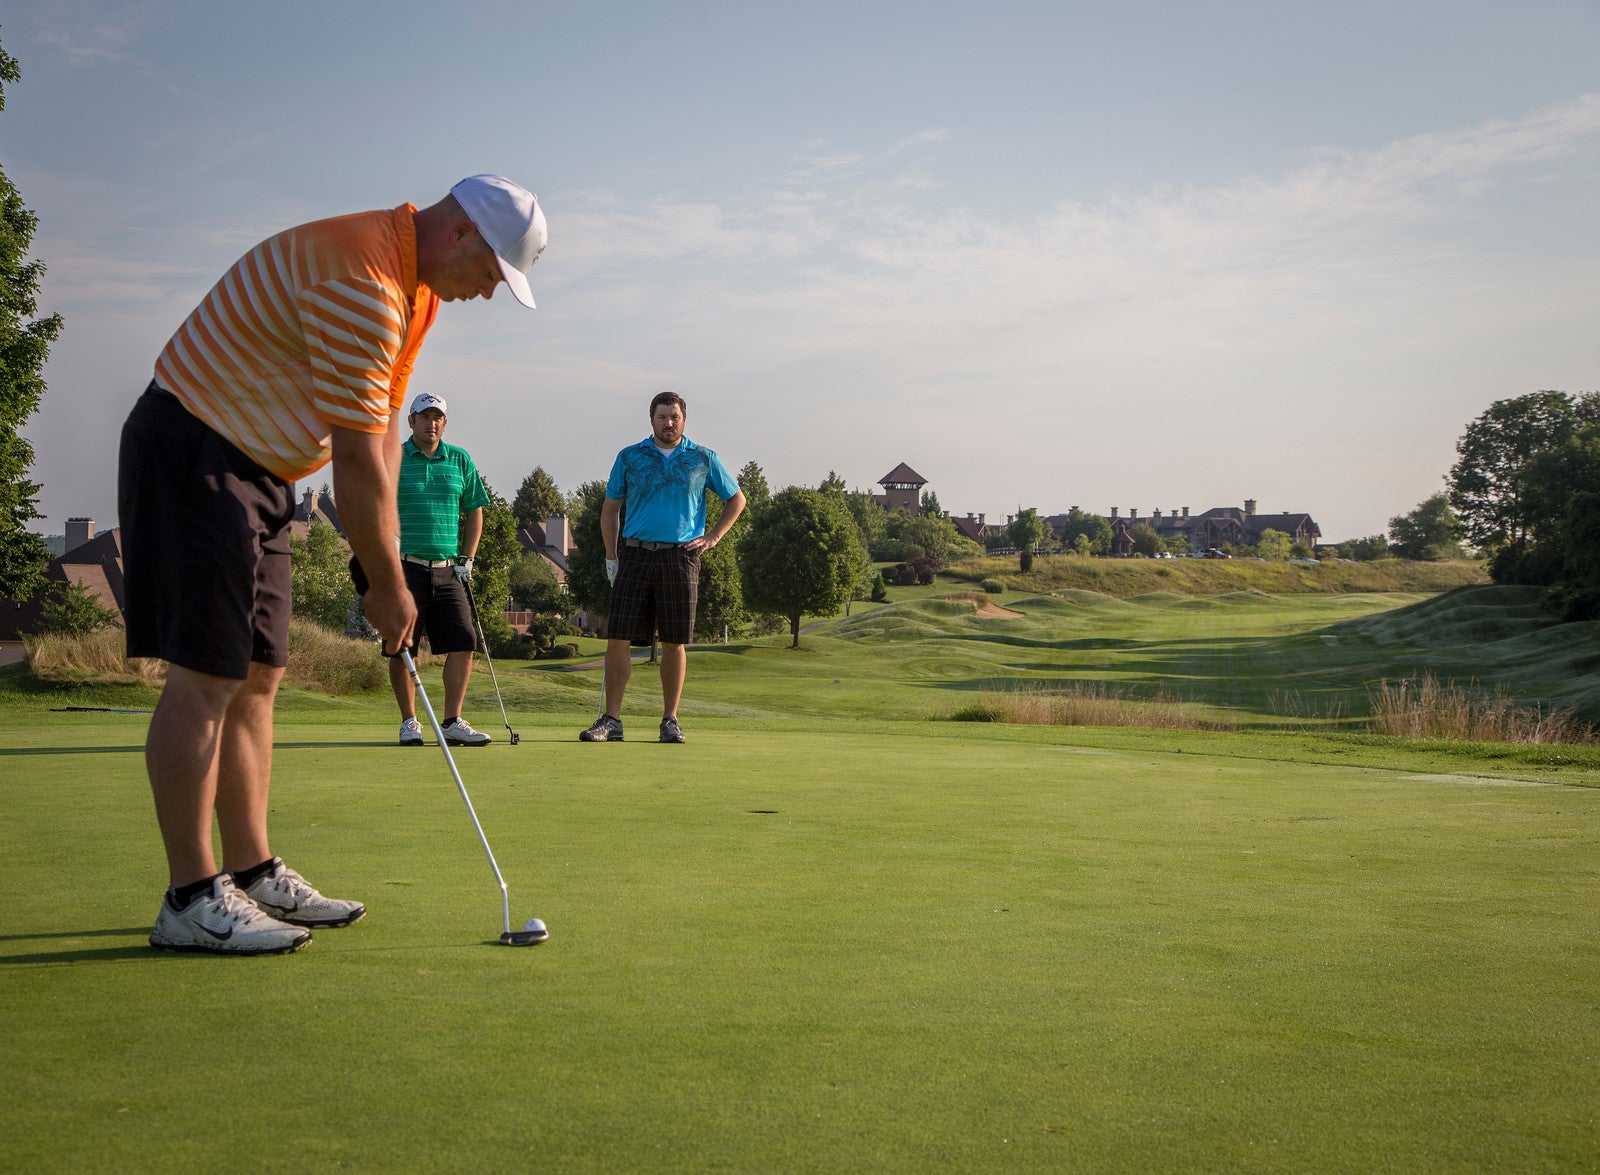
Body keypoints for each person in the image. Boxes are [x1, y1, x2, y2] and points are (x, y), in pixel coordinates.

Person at [118, 174, 546, 955]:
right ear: (460, 236)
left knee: (257, 675)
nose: (486, 293)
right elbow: (352, 458)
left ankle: (250, 872)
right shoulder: (367, 283)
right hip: (195, 447)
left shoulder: (416, 292)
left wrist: (380, 572)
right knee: (208, 676)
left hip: (260, 466)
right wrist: (385, 583)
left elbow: (382, 433)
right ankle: (189, 895)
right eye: (490, 274)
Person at [580, 391, 745, 745]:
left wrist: (713, 537)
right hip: (635, 554)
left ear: (684, 420)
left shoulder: (702, 458)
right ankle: (612, 720)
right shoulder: (630, 456)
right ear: (651, 419)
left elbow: (736, 499)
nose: (668, 423)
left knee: (674, 641)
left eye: (674, 417)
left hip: (681, 556)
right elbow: (610, 510)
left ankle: (670, 720)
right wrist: (612, 557)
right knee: (618, 638)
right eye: (662, 417)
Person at [387, 391, 493, 748]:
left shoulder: (460, 459)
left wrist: (468, 557)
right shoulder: (395, 457)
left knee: (464, 641)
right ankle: (410, 722)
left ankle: (451, 721)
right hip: (406, 567)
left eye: (438, 418)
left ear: (444, 423)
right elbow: (376, 504)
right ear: (411, 421)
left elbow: (475, 509)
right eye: (425, 417)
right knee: (403, 647)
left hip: (449, 570)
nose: (432, 424)